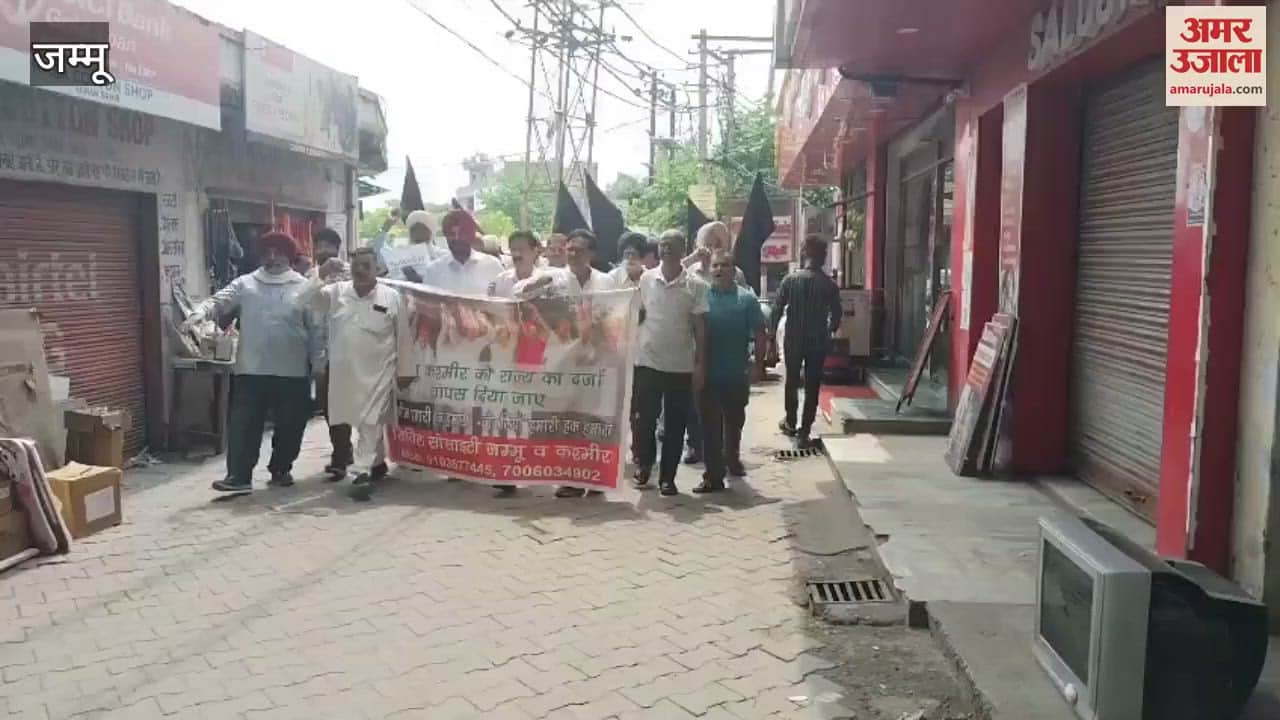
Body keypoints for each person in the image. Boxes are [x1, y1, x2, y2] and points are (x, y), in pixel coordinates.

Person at [184, 231, 317, 493]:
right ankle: (239, 476)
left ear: (289, 256)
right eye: (267, 252)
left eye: (278, 252)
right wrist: (199, 312)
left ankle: (281, 469)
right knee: (244, 423)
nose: (272, 257)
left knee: (290, 425)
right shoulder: (246, 284)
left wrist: (318, 362)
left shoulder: (304, 288)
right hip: (252, 368)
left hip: (292, 370)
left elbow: (317, 329)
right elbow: (219, 301)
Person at [309, 248, 408, 501]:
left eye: (366, 265)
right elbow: (304, 299)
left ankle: (361, 472)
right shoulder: (336, 292)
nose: (360, 270)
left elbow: (404, 336)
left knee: (370, 420)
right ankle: (375, 462)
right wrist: (320, 272)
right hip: (344, 373)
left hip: (379, 372)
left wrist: (405, 371)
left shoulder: (392, 297)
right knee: (349, 419)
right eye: (356, 266)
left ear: (377, 269)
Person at [632, 230, 708, 496]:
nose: (666, 249)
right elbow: (638, 315)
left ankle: (668, 477)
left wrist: (700, 365)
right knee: (644, 421)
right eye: (663, 245)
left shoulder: (695, 285)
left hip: (680, 365)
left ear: (683, 248)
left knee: (675, 425)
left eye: (672, 245)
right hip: (647, 361)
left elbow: (700, 327)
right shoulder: (646, 278)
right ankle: (644, 465)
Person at [696, 250, 767, 493]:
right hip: (707, 374)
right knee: (709, 426)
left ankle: (733, 458)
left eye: (724, 265)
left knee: (734, 420)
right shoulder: (702, 297)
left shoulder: (746, 299)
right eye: (715, 265)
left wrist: (759, 365)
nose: (718, 270)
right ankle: (713, 476)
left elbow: (760, 333)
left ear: (733, 270)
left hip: (737, 373)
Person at [770, 235, 843, 449]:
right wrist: (828, 330)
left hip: (793, 338)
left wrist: (772, 338)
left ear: (804, 253)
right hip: (817, 341)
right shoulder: (829, 285)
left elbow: (776, 310)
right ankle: (804, 432)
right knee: (812, 385)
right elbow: (837, 316)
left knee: (791, 380)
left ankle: (790, 422)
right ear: (823, 257)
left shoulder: (790, 281)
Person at [310, 227, 354, 478]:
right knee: (329, 405)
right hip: (322, 354)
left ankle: (372, 458)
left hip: (350, 350)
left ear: (337, 248)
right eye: (320, 245)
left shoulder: (351, 273)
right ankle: (342, 453)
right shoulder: (311, 276)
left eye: (329, 246)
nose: (324, 251)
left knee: (359, 404)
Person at [421, 209, 505, 295]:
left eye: (462, 234)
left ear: (471, 235)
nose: (457, 238)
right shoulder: (433, 272)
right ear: (446, 236)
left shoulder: (493, 266)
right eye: (451, 234)